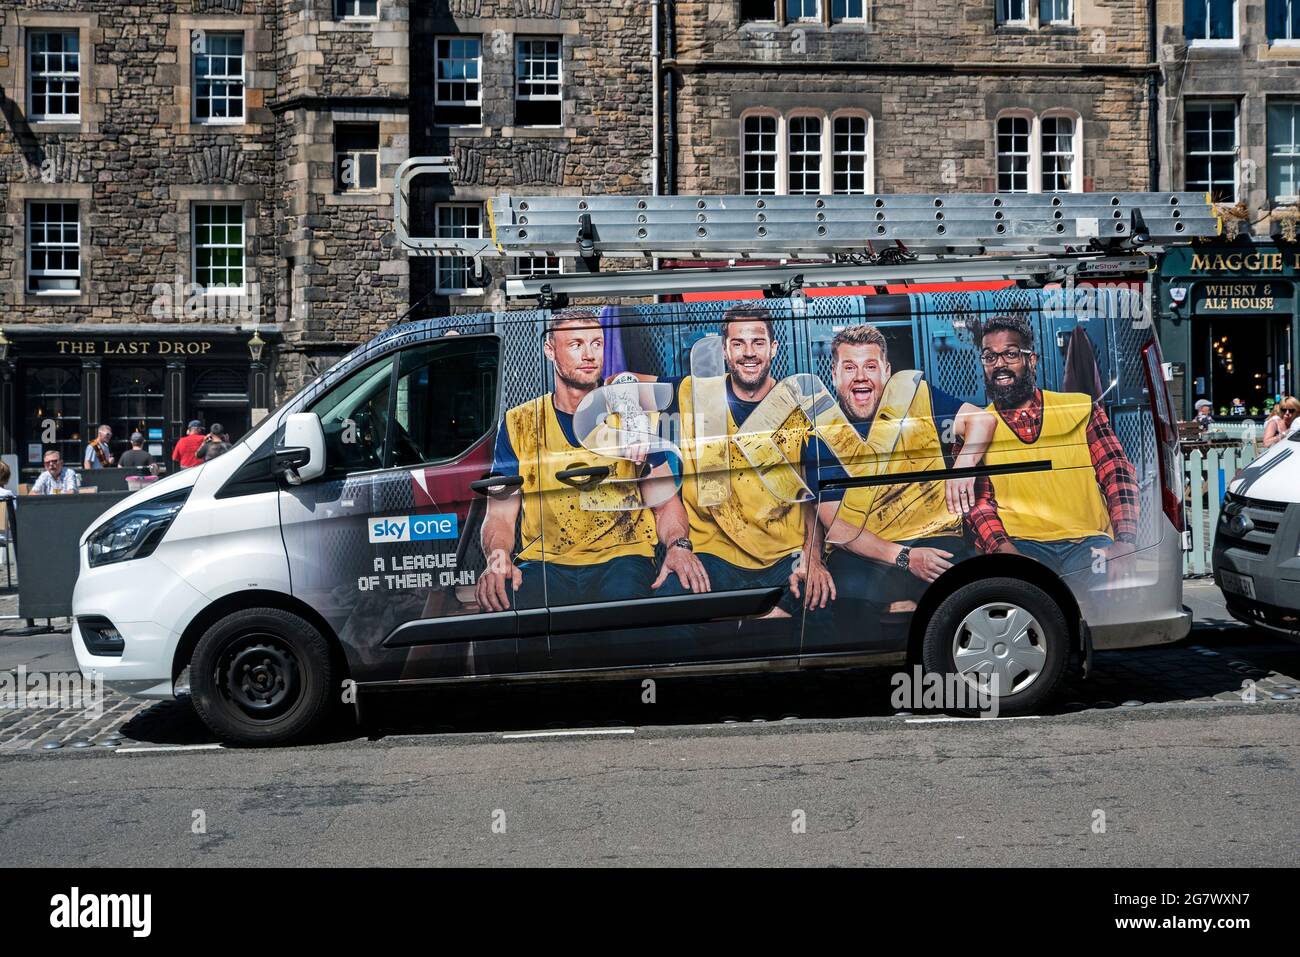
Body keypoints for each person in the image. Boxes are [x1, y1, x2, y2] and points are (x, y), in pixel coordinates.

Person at [476, 308, 696, 611]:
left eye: (596, 343)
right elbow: (500, 515)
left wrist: (678, 546)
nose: (590, 354)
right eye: (576, 344)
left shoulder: (633, 418)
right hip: (544, 563)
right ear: (550, 350)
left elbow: (665, 504)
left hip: (621, 559)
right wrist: (497, 557)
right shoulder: (520, 423)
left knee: (625, 619)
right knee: (505, 613)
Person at [635, 304, 832, 616]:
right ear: (725, 351)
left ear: (773, 348)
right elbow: (619, 386)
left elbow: (815, 499)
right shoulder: (691, 393)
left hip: (785, 558)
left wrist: (812, 556)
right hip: (714, 557)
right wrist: (636, 426)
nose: (748, 353)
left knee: (823, 613)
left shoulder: (801, 409)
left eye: (758, 343)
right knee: (669, 610)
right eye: (738, 343)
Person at [803, 323, 995, 624]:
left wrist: (963, 467)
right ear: (834, 374)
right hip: (866, 553)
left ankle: (946, 663)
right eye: (849, 367)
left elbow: (982, 420)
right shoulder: (821, 435)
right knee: (845, 599)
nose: (861, 376)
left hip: (934, 535)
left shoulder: (916, 396)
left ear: (886, 371)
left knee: (963, 594)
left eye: (870, 366)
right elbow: (838, 528)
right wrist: (906, 557)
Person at [965, 314, 1140, 575]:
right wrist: (1004, 550)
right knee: (1027, 605)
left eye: (1011, 354)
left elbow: (1116, 472)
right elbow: (979, 503)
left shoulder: (1080, 408)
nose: (999, 364)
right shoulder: (977, 425)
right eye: (990, 357)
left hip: (1089, 543)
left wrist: (1125, 541)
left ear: (1031, 360)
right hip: (1020, 546)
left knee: (1106, 599)